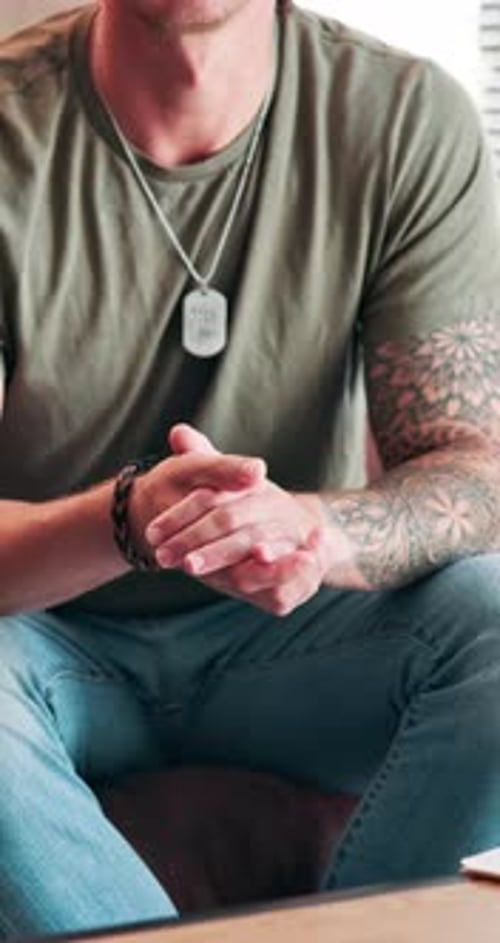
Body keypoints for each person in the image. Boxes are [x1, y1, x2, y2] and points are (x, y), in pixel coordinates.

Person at [1, 0, 500, 936]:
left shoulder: (396, 114)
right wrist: (130, 519)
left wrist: (311, 529)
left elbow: (475, 471)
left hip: (298, 641)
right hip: (42, 639)